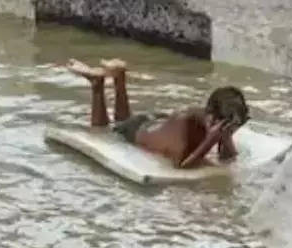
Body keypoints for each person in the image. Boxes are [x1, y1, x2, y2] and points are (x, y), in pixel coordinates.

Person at [66, 58, 249, 169]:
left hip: (155, 122)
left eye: (234, 128)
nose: (230, 131)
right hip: (137, 129)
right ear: (212, 117)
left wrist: (225, 138)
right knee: (105, 131)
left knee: (125, 120)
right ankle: (97, 85)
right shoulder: (186, 127)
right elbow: (182, 166)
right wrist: (210, 141)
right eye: (228, 127)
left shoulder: (210, 119)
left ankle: (119, 77)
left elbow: (228, 158)